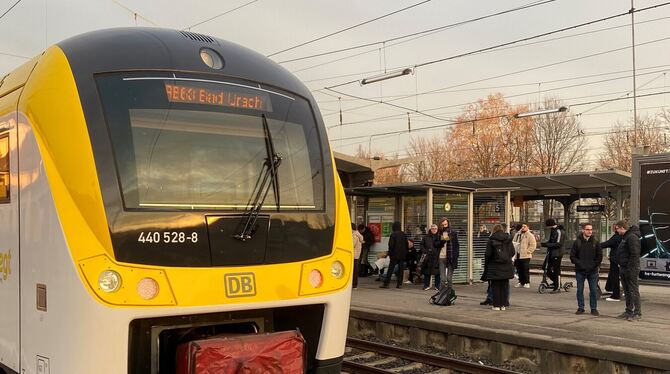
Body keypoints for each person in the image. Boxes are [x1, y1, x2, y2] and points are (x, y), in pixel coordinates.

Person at [570, 223, 603, 316]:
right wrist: (580, 264)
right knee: (579, 290)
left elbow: (599, 256)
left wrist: (593, 265)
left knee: (593, 290)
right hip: (580, 271)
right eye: (588, 229)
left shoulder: (595, 243)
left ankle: (593, 308)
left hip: (592, 271)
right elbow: (572, 257)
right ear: (583, 230)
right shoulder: (577, 242)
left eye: (591, 230)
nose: (590, 231)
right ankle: (581, 308)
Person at [614, 220, 642, 321]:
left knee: (633, 291)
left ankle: (637, 312)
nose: (616, 231)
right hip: (624, 268)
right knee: (627, 291)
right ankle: (629, 310)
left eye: (617, 229)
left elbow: (635, 254)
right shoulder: (625, 237)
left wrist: (630, 268)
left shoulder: (631, 237)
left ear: (622, 228)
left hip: (631, 269)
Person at [484, 224, 514, 310]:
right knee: (504, 285)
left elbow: (488, 254)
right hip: (506, 265)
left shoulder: (491, 240)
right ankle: (503, 305)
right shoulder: (508, 239)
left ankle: (496, 305)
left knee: (495, 286)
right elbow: (512, 252)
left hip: (495, 266)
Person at [381, 222, 409, 289]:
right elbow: (406, 245)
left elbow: (391, 245)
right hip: (402, 254)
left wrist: (389, 253)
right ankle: (399, 284)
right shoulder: (403, 234)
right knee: (400, 269)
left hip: (394, 254)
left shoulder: (393, 234)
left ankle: (386, 283)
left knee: (391, 269)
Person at [541, 218, 565, 292]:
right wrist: (546, 244)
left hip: (557, 253)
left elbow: (558, 244)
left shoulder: (559, 231)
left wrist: (546, 245)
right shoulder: (553, 230)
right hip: (551, 252)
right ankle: (555, 281)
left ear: (550, 225)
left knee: (556, 270)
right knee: (545, 267)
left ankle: (557, 286)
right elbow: (552, 241)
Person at [601, 229, 623, 301]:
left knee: (614, 276)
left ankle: (616, 295)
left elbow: (609, 243)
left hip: (615, 259)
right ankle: (609, 288)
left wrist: (596, 245)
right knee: (612, 274)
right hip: (616, 258)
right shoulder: (620, 236)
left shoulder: (617, 236)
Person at [438, 218, 460, 290]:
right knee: (443, 279)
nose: (444, 226)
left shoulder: (453, 233)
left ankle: (449, 294)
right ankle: (441, 295)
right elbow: (435, 244)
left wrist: (456, 256)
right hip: (441, 257)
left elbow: (456, 245)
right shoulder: (438, 233)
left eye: (446, 224)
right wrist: (442, 240)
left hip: (451, 257)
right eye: (443, 225)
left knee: (449, 278)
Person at [513, 223, 537, 288]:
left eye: (524, 226)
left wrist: (528, 251)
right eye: (522, 226)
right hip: (517, 254)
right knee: (519, 269)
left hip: (525, 255)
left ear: (527, 227)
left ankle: (527, 282)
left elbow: (533, 245)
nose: (523, 227)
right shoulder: (517, 234)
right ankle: (521, 281)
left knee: (525, 269)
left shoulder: (530, 235)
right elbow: (514, 242)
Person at [421, 224, 441, 290]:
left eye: (435, 229)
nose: (434, 230)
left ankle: (437, 286)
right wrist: (425, 251)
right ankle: (426, 285)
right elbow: (421, 246)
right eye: (433, 228)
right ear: (430, 229)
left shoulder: (440, 236)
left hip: (437, 257)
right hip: (428, 257)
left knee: (437, 273)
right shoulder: (426, 237)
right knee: (427, 272)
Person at [351, 223, 364, 289]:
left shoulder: (354, 235)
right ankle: (354, 284)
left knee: (353, 271)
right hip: (356, 255)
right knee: (355, 270)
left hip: (352, 255)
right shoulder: (358, 235)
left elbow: (351, 245)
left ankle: (354, 284)